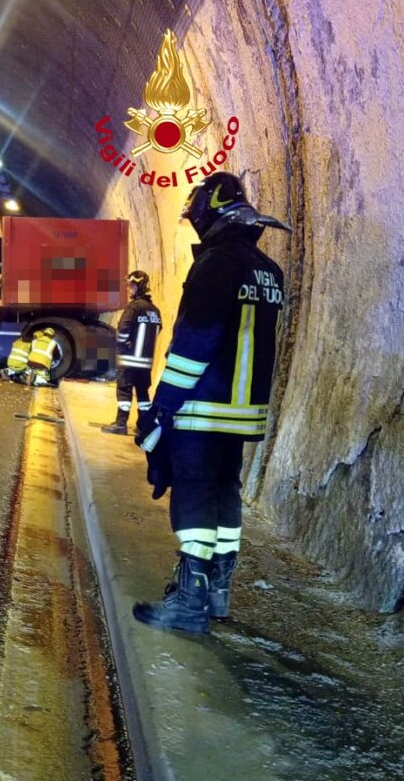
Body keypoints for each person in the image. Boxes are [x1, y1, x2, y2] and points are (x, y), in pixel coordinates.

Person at [132, 171, 290, 634]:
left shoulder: (215, 266)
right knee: (225, 493)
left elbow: (193, 345)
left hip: (203, 408)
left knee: (195, 493)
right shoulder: (269, 271)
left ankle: (189, 601)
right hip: (244, 414)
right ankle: (218, 592)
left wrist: (161, 408)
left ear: (209, 214)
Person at [101, 270, 161, 435]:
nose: (128, 289)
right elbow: (158, 330)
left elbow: (123, 329)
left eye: (131, 286)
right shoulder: (155, 311)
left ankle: (121, 424)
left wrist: (123, 344)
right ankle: (144, 426)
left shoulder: (134, 308)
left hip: (129, 360)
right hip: (146, 362)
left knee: (124, 391)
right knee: (143, 394)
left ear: (138, 287)